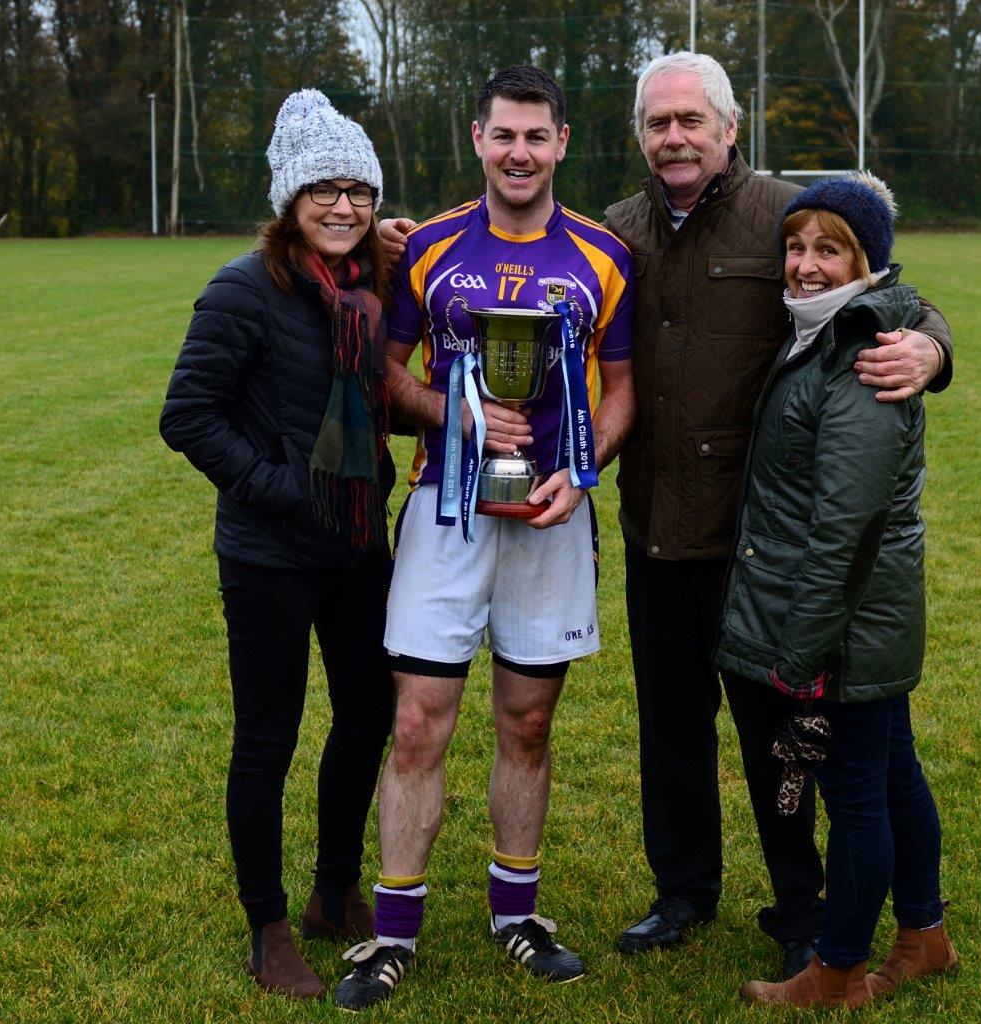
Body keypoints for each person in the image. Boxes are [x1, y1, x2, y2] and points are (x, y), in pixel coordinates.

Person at [603, 52, 954, 978]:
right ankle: (682, 892)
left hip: (758, 547)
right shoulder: (617, 230)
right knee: (670, 731)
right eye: (656, 123)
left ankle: (802, 909)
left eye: (691, 120)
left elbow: (892, 293)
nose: (673, 138)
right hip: (655, 530)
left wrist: (932, 347)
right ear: (640, 135)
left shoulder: (785, 216)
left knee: (782, 744)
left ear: (730, 128)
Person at [333, 65, 635, 1011]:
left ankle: (517, 913)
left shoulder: (603, 255)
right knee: (419, 720)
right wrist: (453, 417)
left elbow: (621, 392)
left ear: (562, 143)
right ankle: (392, 933)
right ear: (477, 140)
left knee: (528, 721)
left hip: (551, 515)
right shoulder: (426, 247)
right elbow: (384, 374)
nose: (518, 152)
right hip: (445, 510)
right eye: (502, 135)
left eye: (535, 137)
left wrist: (582, 474)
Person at [159, 89, 396, 1000]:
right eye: (324, 190)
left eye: (360, 191)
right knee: (269, 737)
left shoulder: (372, 285)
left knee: (367, 714)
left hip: (359, 545)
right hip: (268, 552)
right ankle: (268, 924)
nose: (344, 207)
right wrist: (279, 489)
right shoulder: (241, 290)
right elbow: (187, 415)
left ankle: (336, 891)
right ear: (288, 200)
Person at [714, 171, 958, 1008]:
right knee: (893, 772)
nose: (806, 266)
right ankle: (924, 934)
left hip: (845, 621)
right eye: (795, 246)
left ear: (868, 261)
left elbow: (843, 527)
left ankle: (840, 969)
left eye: (830, 249)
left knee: (856, 794)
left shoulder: (863, 355)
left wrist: (801, 653)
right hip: (861, 615)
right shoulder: (820, 332)